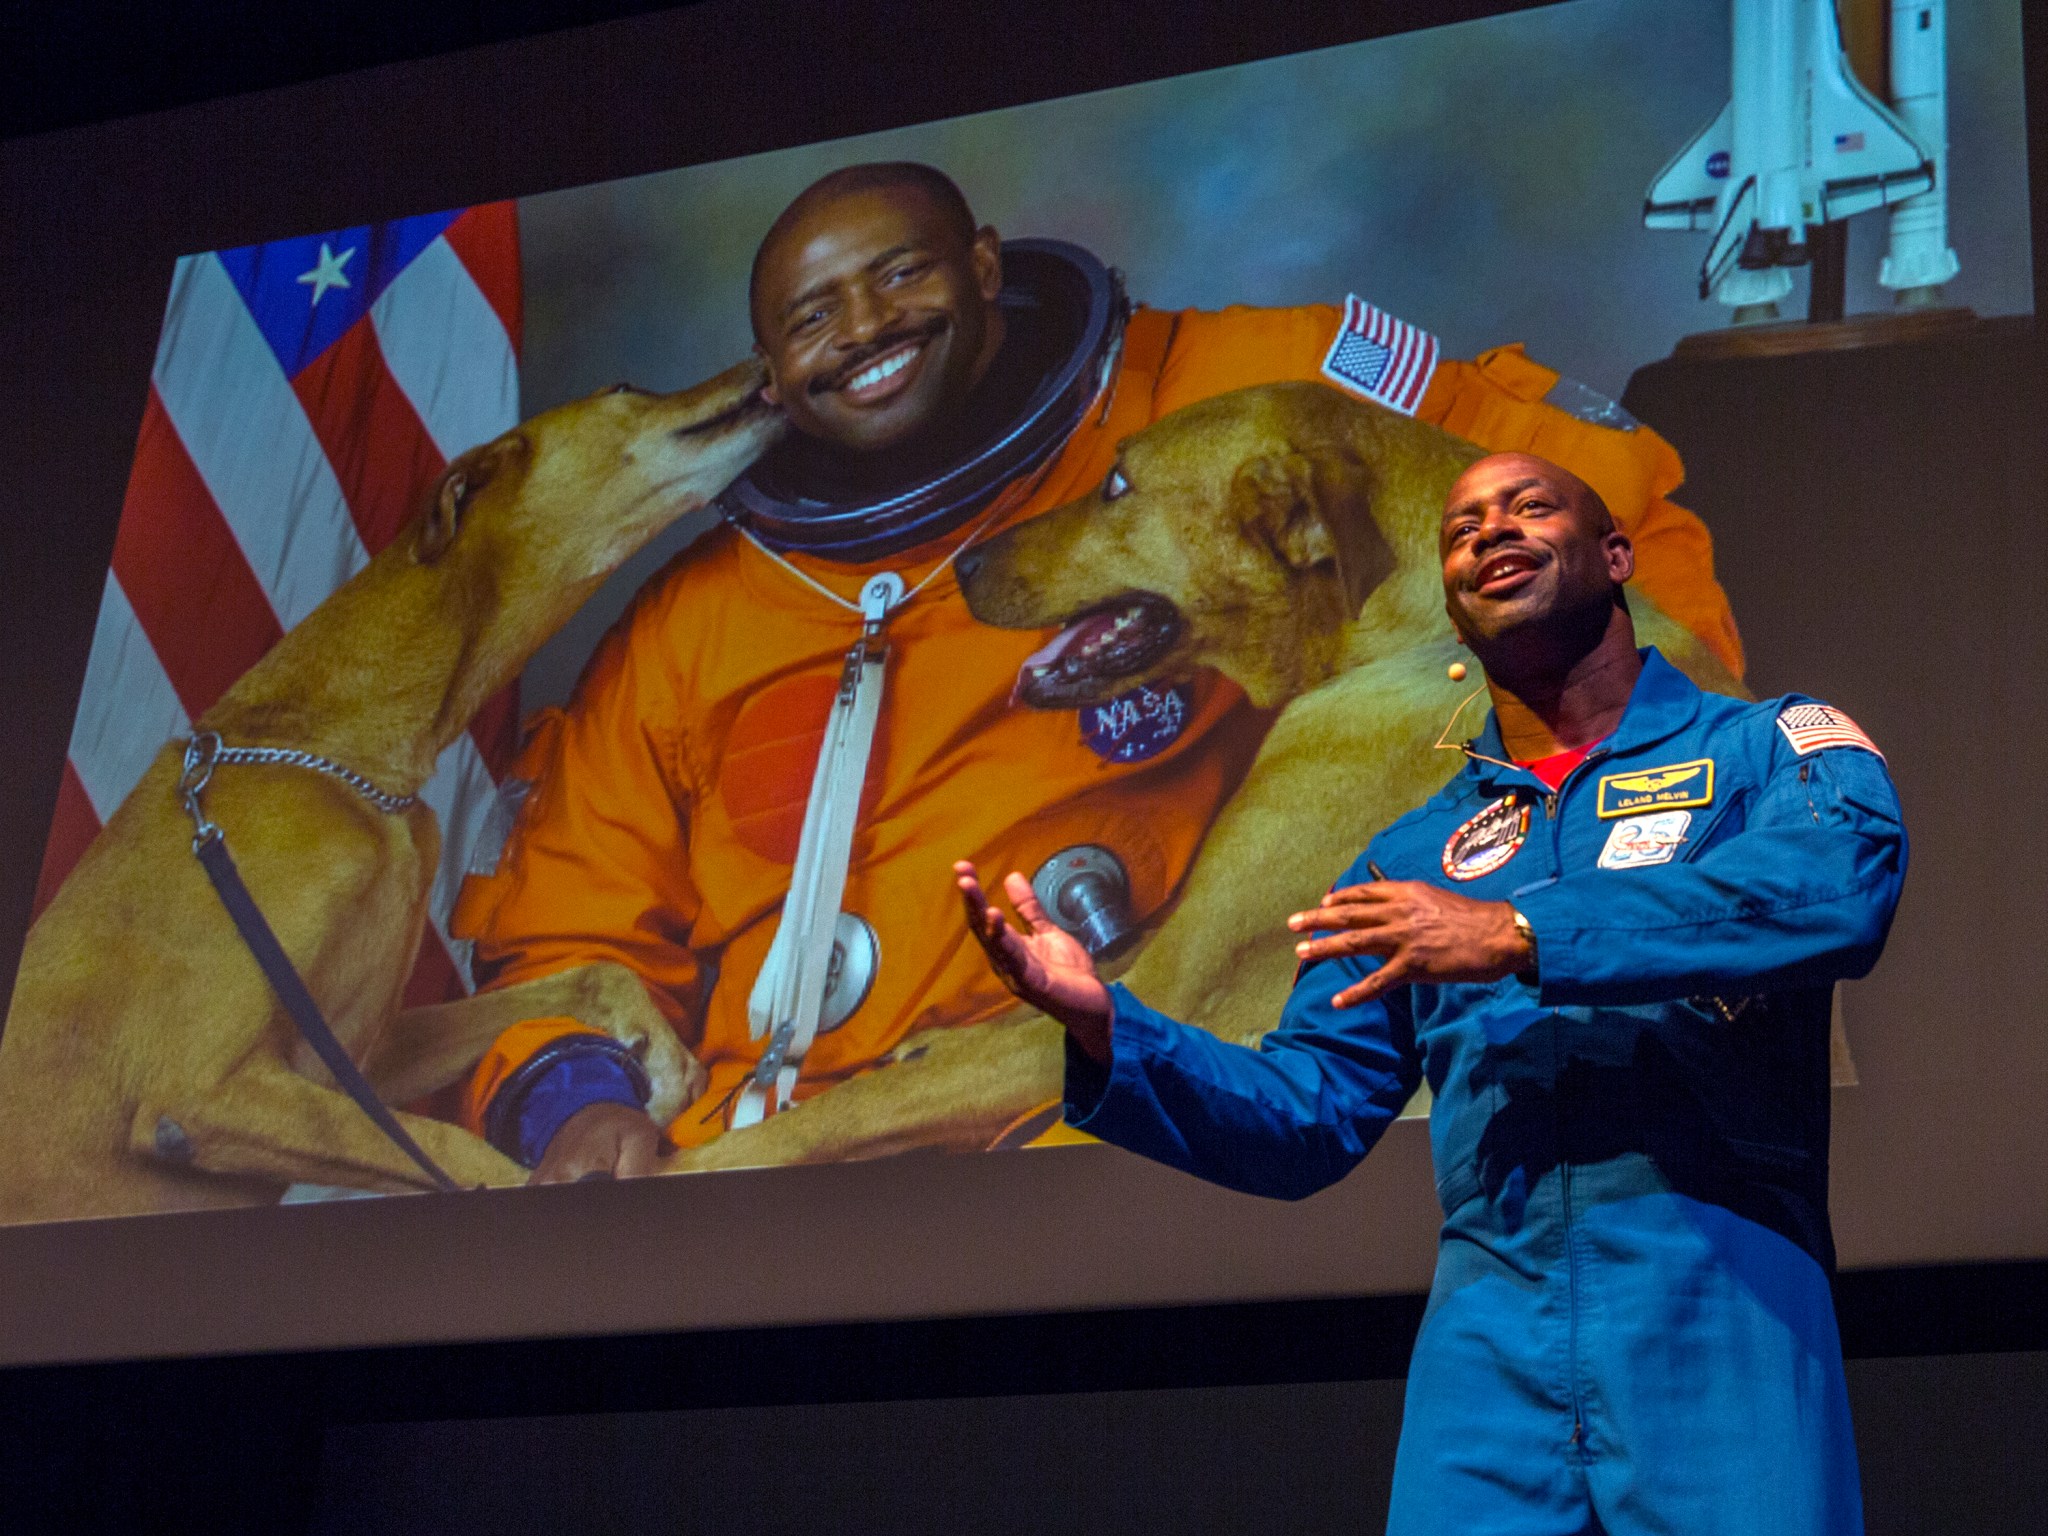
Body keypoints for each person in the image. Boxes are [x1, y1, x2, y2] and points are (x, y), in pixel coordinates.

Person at [455, 160, 1746, 1182]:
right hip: (759, 1169)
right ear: (774, 371)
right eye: (811, 319)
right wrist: (575, 1099)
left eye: (900, 276)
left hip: (1076, 1140)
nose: (864, 333)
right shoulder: (693, 624)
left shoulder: (1226, 394)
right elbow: (564, 925)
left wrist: (1624, 780)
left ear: (982, 266)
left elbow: (1589, 498)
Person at [957, 450, 1906, 1535]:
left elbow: (1838, 886)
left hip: (1716, 1279)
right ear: (1449, 612)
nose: (1488, 532)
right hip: (1488, 1326)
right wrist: (1104, 1028)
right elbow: (1306, 1111)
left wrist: (1517, 932)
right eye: (1460, 530)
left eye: (1527, 508)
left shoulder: (1765, 746)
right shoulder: (1410, 856)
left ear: (1614, 556)